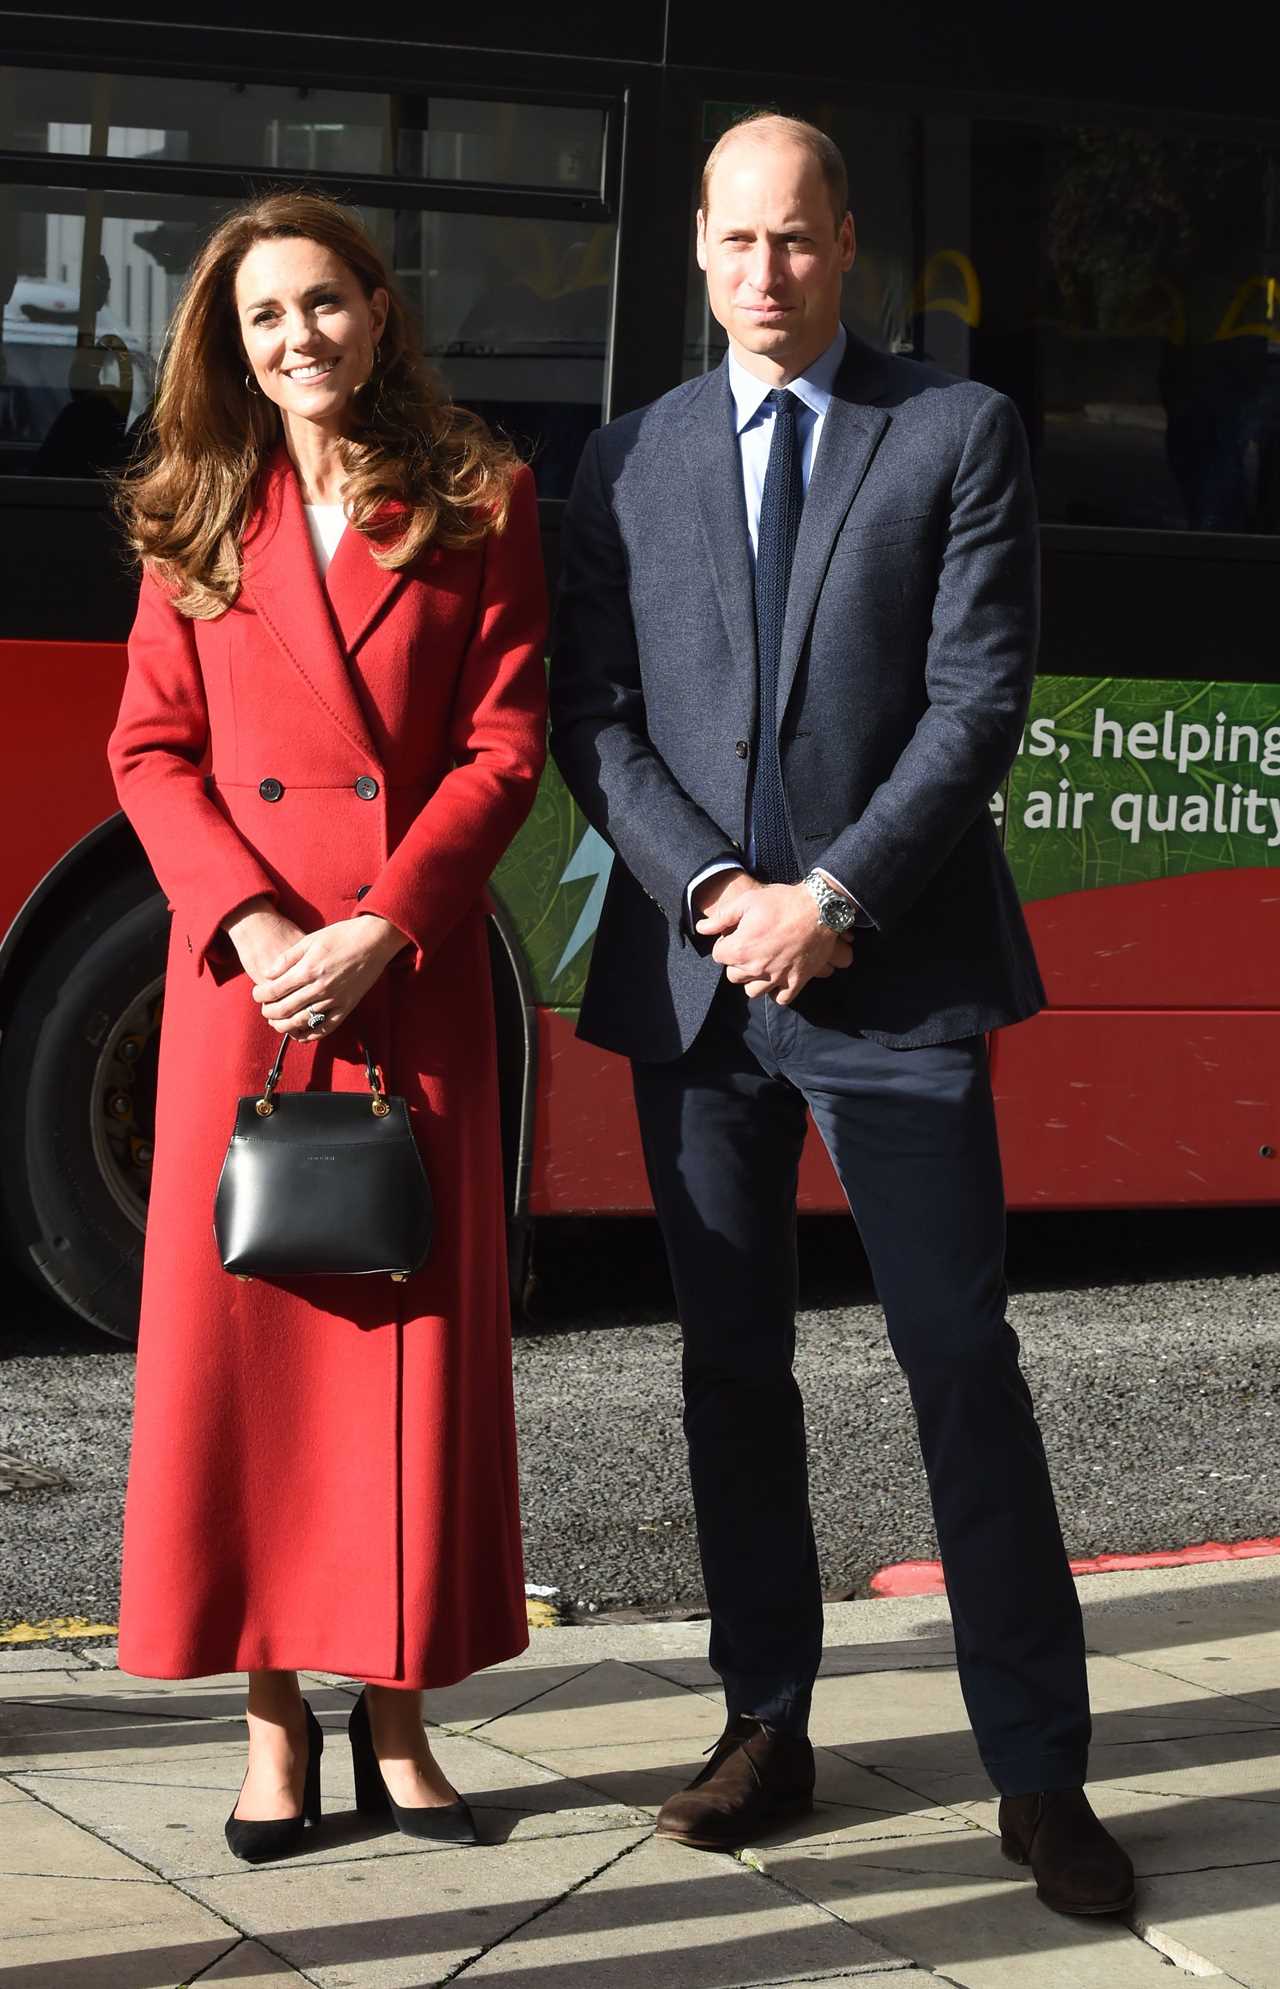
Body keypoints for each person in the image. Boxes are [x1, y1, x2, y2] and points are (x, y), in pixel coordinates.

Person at [550, 113, 1134, 1917]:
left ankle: (1040, 1773)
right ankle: (765, 1719)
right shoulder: (627, 456)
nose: (765, 276)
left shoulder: (954, 430)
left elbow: (977, 705)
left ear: (849, 243)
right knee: (731, 1366)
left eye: (796, 243)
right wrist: (721, 896)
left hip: (896, 982)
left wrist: (836, 901)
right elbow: (597, 710)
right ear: (699, 250)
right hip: (701, 986)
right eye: (736, 244)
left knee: (960, 1361)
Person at [109, 192, 547, 1862]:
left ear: (381, 309)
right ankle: (272, 1719)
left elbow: (507, 743)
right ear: (231, 339)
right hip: (249, 987)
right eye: (263, 315)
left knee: (402, 1344)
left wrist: (383, 920)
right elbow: (150, 752)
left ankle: (404, 1716)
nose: (298, 337)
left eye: (326, 304)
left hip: (407, 970)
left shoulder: (481, 495)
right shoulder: (187, 509)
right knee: (255, 1368)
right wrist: (257, 921)